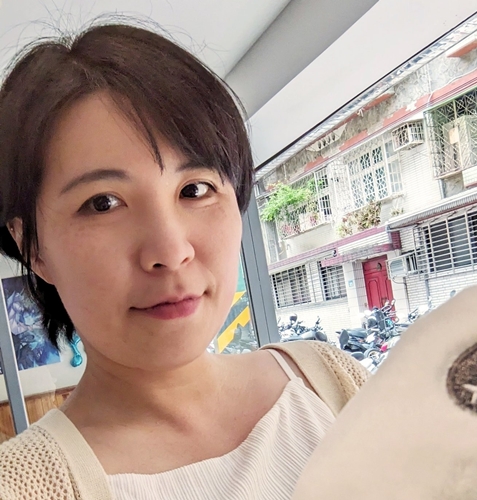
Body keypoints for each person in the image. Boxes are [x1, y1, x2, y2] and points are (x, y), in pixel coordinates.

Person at [0, 23, 369, 500]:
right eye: (103, 203)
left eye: (195, 189)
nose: (171, 252)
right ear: (33, 247)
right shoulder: (24, 487)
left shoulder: (327, 382)